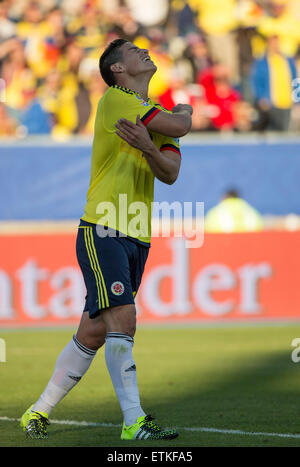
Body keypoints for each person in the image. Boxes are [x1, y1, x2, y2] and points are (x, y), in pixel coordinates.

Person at [20, 38, 193, 441]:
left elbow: (169, 173)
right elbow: (181, 125)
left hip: (137, 234)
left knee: (95, 332)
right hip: (104, 228)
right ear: (117, 69)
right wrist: (183, 111)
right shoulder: (116, 100)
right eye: (134, 51)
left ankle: (37, 411)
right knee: (125, 317)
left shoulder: (154, 118)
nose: (145, 52)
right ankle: (134, 421)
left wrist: (149, 145)